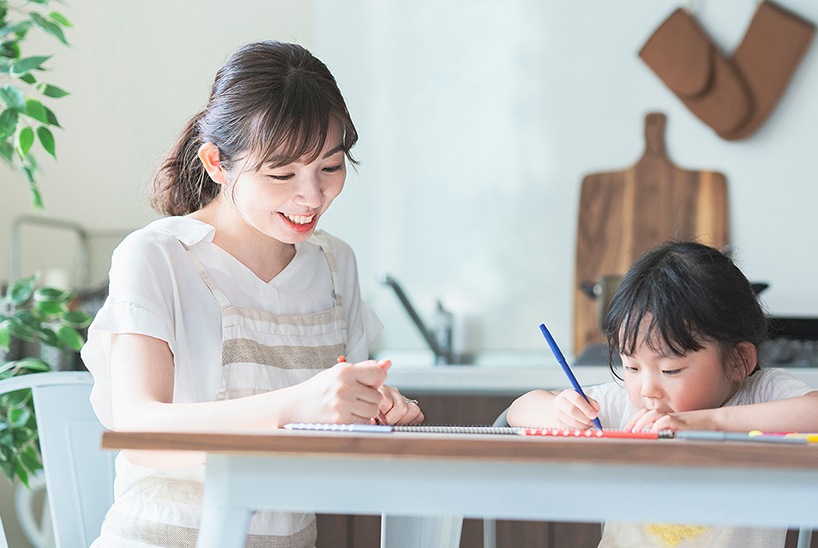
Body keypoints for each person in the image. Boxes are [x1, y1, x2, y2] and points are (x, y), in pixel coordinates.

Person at [81, 41, 423, 548]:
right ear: (217, 163)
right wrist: (301, 404)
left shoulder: (335, 264)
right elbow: (139, 429)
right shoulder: (157, 255)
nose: (311, 197)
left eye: (330, 167)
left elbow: (334, 437)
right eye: (282, 174)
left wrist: (372, 411)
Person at [508, 241, 818, 548]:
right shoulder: (627, 406)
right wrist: (561, 410)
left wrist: (710, 422)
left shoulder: (762, 396)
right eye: (631, 367)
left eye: (670, 370)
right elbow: (519, 410)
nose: (646, 389)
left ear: (738, 361)